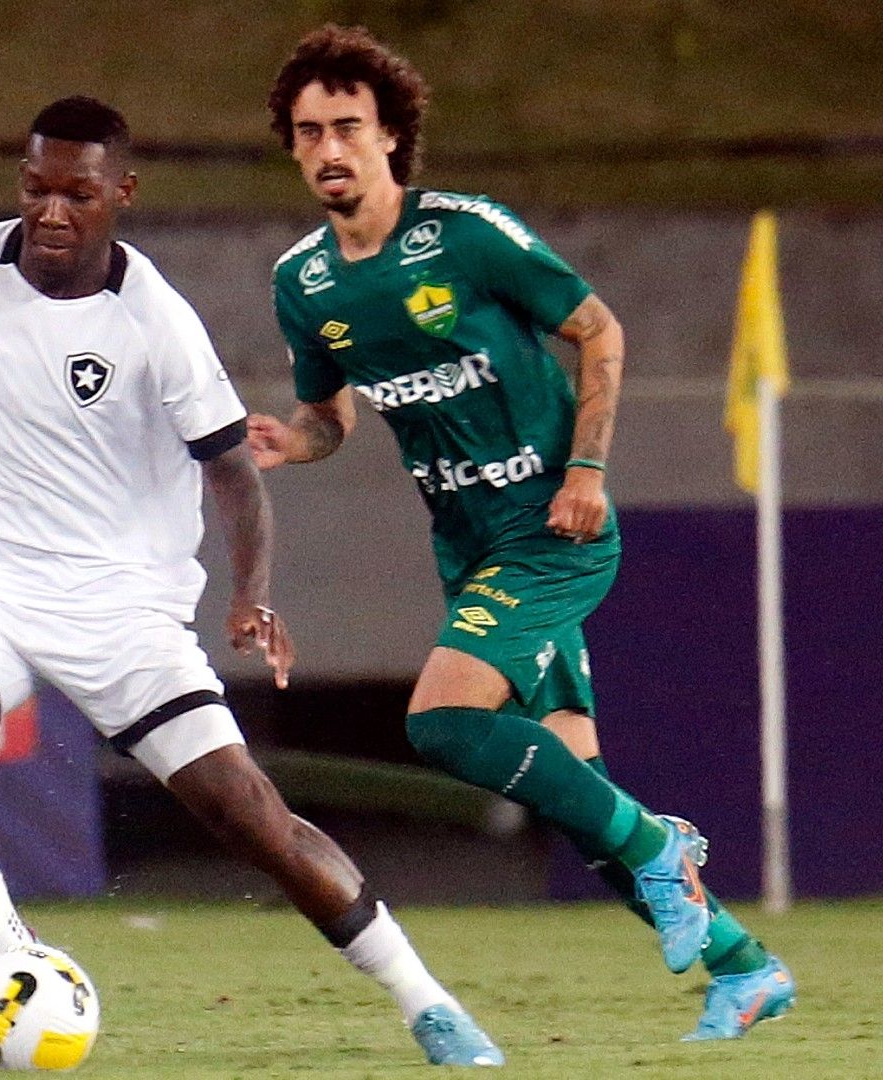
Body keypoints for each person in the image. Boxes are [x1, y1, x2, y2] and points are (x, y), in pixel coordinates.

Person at [0, 96, 503, 1068]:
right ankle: (16, 967)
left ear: (119, 193)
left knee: (251, 818)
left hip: (125, 606)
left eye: (76, 193)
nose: (51, 210)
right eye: (35, 187)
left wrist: (249, 594)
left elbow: (233, 473)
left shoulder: (155, 321)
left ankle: (426, 1001)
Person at [250, 25, 792, 1041]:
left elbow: (598, 329)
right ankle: (742, 966)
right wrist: (294, 439)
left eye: (349, 127)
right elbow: (333, 415)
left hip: (553, 528)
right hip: (470, 549)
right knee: (572, 788)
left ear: (391, 136)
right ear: (292, 145)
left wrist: (587, 469)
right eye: (309, 130)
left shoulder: (465, 233)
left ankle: (663, 847)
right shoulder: (304, 284)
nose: (329, 147)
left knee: (444, 724)